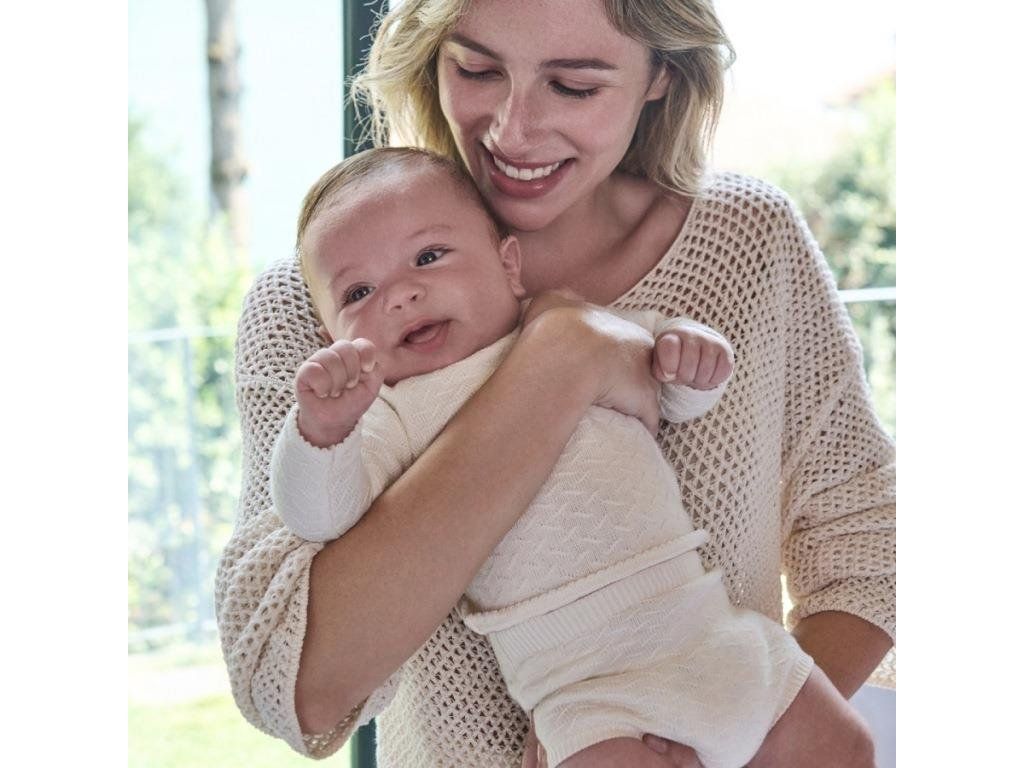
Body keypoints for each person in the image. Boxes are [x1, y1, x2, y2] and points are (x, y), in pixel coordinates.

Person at [215, 0, 895, 766]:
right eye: (477, 70)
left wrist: (737, 736)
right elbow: (292, 684)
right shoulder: (323, 310)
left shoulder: (744, 243)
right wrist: (560, 358)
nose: (513, 131)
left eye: (573, 85)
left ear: (662, 75)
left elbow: (869, 547)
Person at [270, 145, 821, 768]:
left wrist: (691, 355)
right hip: (583, 687)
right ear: (331, 336)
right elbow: (322, 516)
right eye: (359, 291)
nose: (401, 296)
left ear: (508, 265)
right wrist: (322, 432)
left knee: (845, 744)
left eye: (428, 257)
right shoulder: (390, 415)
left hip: (701, 623)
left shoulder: (571, 322)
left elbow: (671, 392)